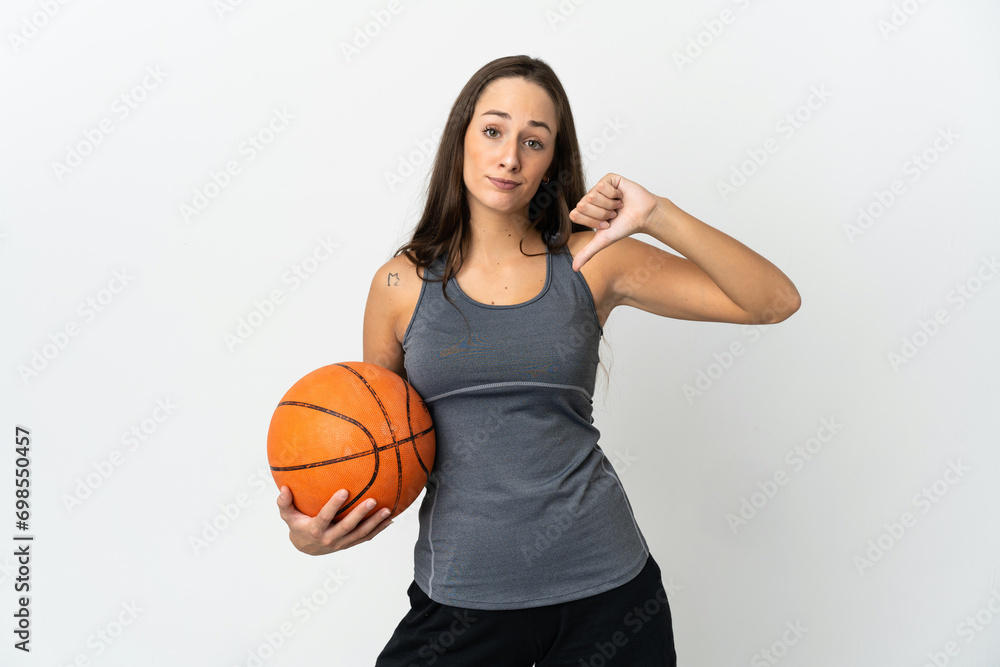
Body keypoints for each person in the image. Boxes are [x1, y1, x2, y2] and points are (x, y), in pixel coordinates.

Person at [276, 55, 800, 665]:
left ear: (553, 160)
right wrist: (311, 538)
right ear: (462, 139)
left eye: (534, 141)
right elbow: (382, 449)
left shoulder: (594, 260)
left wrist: (656, 214)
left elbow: (773, 301)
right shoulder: (400, 283)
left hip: (607, 597)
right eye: (494, 131)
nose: (510, 157)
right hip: (459, 605)